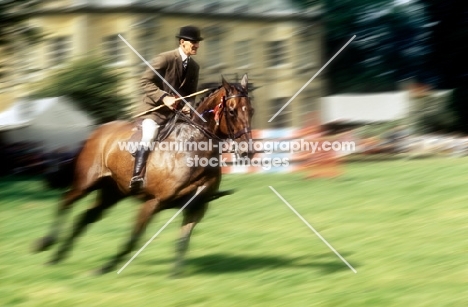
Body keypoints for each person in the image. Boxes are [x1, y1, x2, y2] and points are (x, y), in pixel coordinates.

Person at [129, 25, 203, 193]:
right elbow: (145, 81)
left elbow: (190, 94)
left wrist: (187, 106)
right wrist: (164, 97)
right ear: (182, 42)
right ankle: (137, 176)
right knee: (149, 135)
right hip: (153, 112)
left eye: (198, 42)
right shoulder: (165, 58)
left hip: (176, 115)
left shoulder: (195, 67)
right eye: (194, 42)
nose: (197, 45)